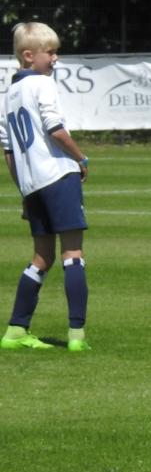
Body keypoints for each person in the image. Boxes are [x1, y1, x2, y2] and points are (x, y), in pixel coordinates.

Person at [0, 22, 91, 352]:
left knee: (41, 258)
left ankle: (15, 330)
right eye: (50, 52)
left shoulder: (7, 95)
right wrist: (82, 159)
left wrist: (24, 191)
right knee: (73, 255)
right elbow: (55, 129)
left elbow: (8, 152)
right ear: (29, 56)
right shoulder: (43, 85)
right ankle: (77, 336)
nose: (56, 58)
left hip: (32, 186)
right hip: (57, 175)